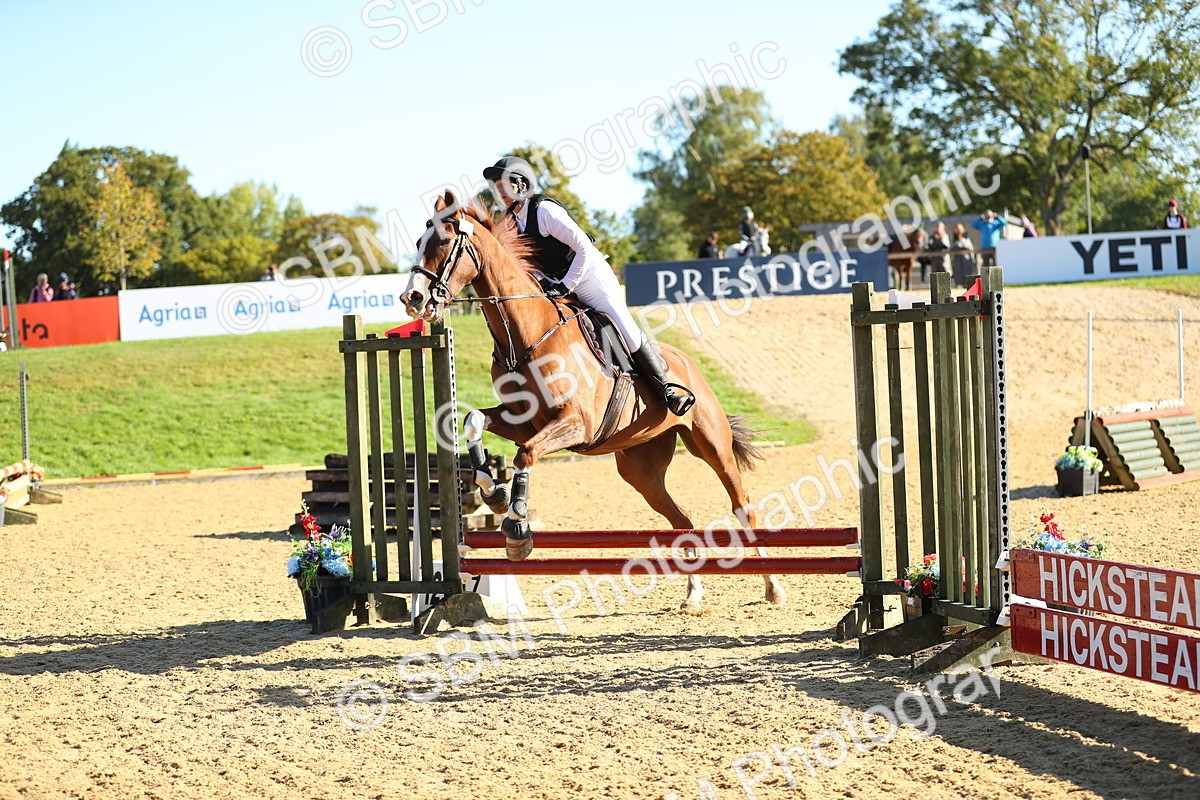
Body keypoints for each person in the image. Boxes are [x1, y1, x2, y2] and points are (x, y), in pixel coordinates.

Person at [482, 156, 694, 416]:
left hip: (592, 279)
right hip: (559, 286)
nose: (499, 191)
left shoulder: (545, 211)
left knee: (624, 328)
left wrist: (566, 284)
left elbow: (584, 247)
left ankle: (666, 390)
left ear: (522, 184)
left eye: (503, 184)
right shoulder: (512, 224)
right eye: (496, 186)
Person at [950, 223, 976, 288]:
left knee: (967, 271)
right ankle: (959, 284)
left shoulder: (965, 235)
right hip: (958, 258)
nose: (954, 230)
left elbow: (968, 246)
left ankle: (968, 284)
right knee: (958, 271)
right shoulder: (955, 237)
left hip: (966, 257)